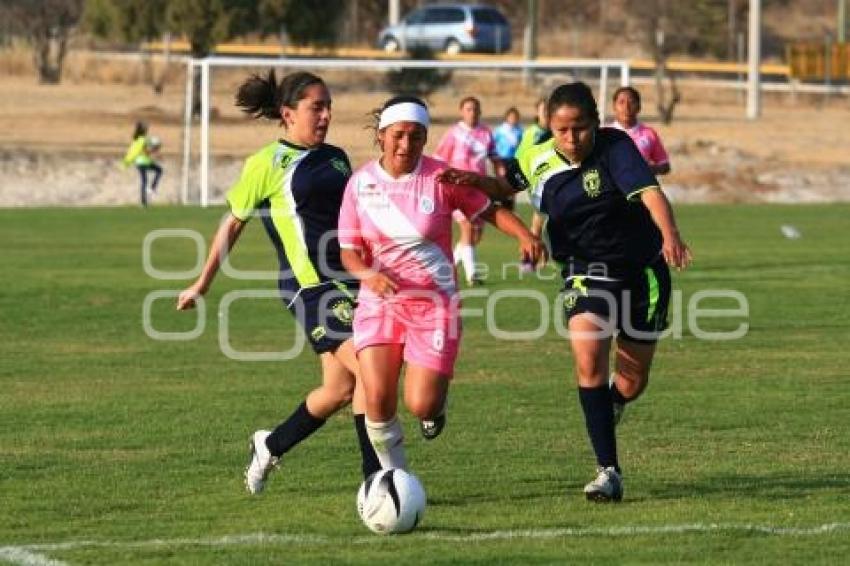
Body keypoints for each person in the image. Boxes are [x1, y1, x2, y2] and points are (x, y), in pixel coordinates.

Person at [444, 82, 691, 502]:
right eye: (562, 130)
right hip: (583, 270)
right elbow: (508, 188)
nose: (571, 138)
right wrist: (476, 181)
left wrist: (669, 234)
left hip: (641, 272)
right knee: (588, 357)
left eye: (579, 128)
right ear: (549, 127)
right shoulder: (536, 155)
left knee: (631, 382)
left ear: (595, 123)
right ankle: (608, 470)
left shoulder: (616, 147)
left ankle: (611, 403)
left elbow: (651, 193)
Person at [175, 70, 380, 494]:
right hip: (309, 287)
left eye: (328, 107)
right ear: (288, 114)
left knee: (340, 389)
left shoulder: (337, 157)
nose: (325, 115)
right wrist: (202, 283)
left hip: (350, 282)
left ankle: (270, 444)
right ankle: (375, 478)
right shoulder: (266, 164)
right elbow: (231, 225)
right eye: (315, 107)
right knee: (370, 373)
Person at [338, 96, 545, 471]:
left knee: (421, 404)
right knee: (378, 399)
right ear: (382, 136)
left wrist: (523, 236)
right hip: (379, 304)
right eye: (398, 135)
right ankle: (392, 477)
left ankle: (436, 406)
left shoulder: (441, 178)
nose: (406, 145)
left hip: (434, 306)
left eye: (416, 137)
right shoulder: (359, 184)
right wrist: (370, 276)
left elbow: (487, 209)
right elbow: (348, 252)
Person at [433, 96, 502, 286]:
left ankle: (447, 268)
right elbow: (438, 161)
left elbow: (495, 159)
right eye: (468, 109)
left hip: (479, 190)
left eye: (475, 109)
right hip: (456, 190)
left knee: (475, 236)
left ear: (480, 111)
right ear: (461, 111)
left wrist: (502, 181)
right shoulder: (453, 134)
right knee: (467, 227)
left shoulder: (486, 133)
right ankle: (472, 275)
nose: (472, 112)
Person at [608, 86, 671, 176]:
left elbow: (665, 165)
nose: (626, 107)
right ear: (614, 106)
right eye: (621, 102)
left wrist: (650, 169)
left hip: (641, 187)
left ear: (639, 107)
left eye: (631, 102)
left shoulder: (648, 134)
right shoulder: (604, 134)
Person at [123, 121, 162, 207]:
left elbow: (135, 151)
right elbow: (146, 151)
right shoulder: (142, 140)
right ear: (143, 130)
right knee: (158, 171)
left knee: (144, 180)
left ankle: (144, 201)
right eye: (146, 128)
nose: (147, 129)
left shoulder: (136, 139)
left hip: (139, 162)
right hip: (143, 162)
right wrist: (155, 148)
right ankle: (152, 189)